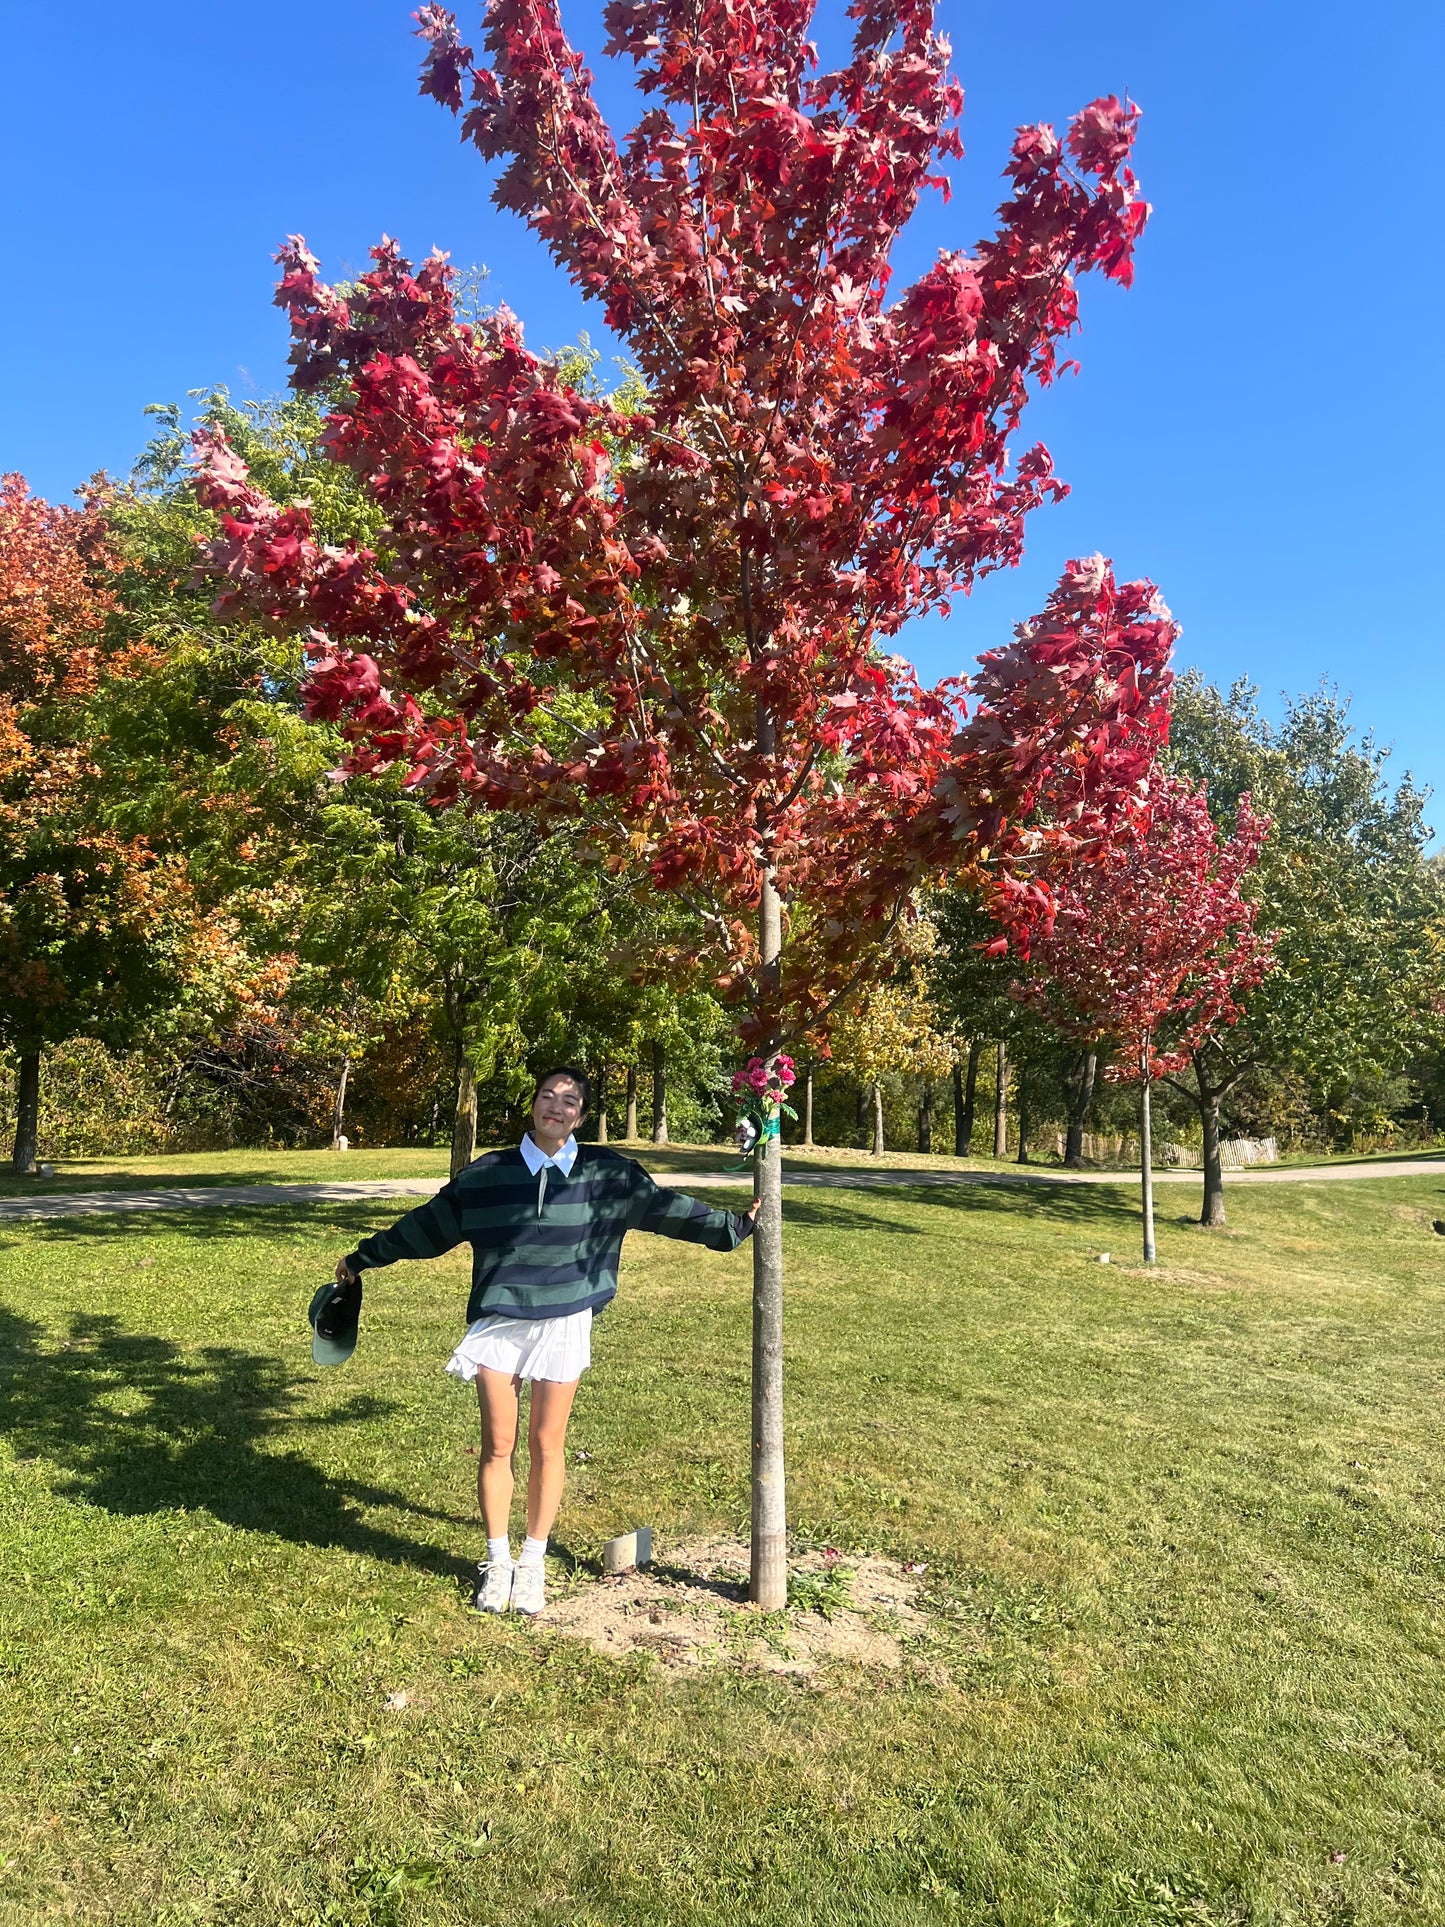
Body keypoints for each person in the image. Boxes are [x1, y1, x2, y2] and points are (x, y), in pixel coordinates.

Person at [333, 1065, 760, 1617]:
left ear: (581, 1115)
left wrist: (730, 1227)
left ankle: (531, 1563)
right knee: (497, 1445)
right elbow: (427, 1226)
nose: (555, 1106)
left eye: (569, 1100)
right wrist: (362, 1256)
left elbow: (666, 1209)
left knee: (546, 1444)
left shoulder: (608, 1175)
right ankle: (497, 1561)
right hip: (501, 1322)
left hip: (564, 1320)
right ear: (533, 1106)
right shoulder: (489, 1175)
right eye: (546, 1096)